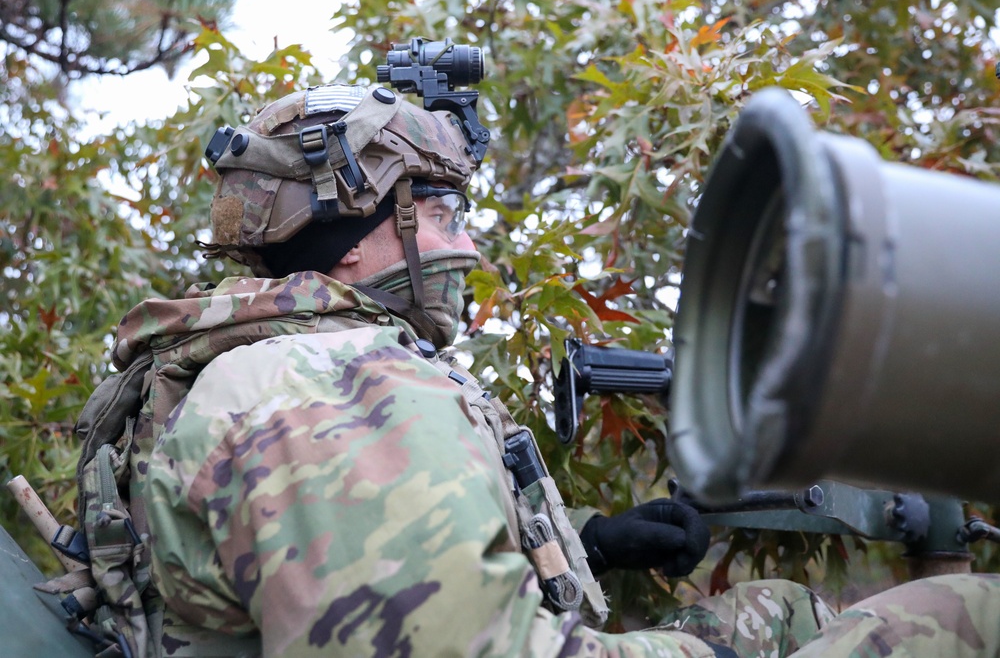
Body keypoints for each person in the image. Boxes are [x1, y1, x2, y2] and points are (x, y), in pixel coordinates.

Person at [109, 82, 1000, 658]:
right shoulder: (335, 385)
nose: (464, 242)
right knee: (962, 618)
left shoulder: (269, 368)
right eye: (446, 209)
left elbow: (354, 558)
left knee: (784, 607)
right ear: (356, 238)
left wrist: (588, 542)